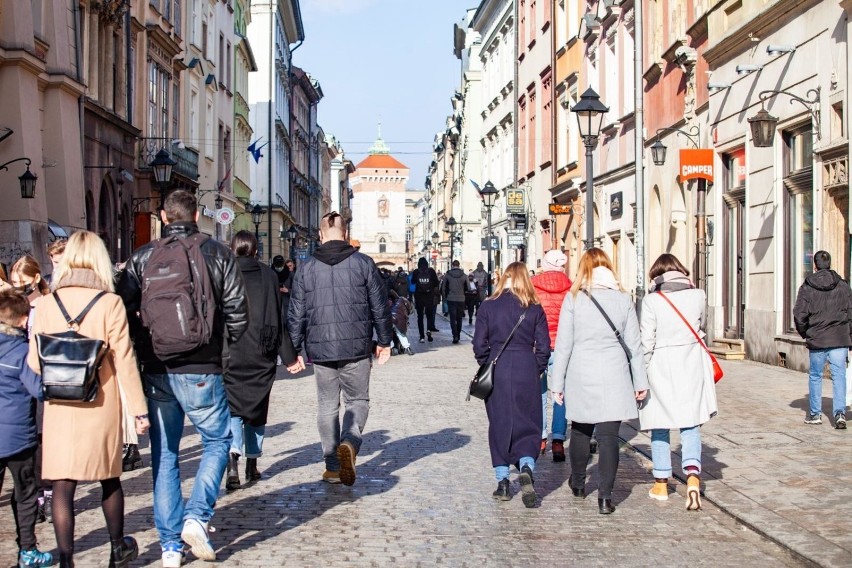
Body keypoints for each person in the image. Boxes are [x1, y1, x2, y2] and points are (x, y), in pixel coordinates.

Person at [117, 189, 248, 565]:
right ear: (196, 215)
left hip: (157, 368)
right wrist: (224, 354)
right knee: (218, 441)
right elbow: (238, 311)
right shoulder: (217, 253)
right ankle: (197, 515)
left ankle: (170, 548)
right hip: (203, 367)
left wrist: (144, 346)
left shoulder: (142, 257)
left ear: (162, 216)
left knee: (166, 455)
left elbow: (121, 311)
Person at [27, 230, 149, 567]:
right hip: (101, 403)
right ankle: (116, 549)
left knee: (63, 486)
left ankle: (66, 560)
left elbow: (34, 362)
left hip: (61, 406)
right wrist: (140, 412)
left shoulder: (46, 303)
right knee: (108, 480)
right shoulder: (109, 302)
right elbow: (124, 361)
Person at [288, 211, 393, 486]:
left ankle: (333, 466)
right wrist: (384, 342)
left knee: (326, 406)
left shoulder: (306, 268)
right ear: (346, 234)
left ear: (320, 235)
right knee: (358, 401)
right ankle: (349, 442)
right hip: (356, 347)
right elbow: (380, 307)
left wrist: (294, 349)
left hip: (321, 351)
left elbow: (296, 313)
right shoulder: (363, 263)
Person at [550, 248, 648, 514]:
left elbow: (564, 345)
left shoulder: (574, 298)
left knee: (581, 430)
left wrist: (555, 384)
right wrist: (641, 382)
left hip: (581, 373)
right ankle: (605, 497)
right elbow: (634, 346)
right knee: (608, 437)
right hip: (615, 374)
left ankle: (579, 484)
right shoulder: (623, 299)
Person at [224, 232, 303, 491]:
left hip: (230, 351)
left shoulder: (222, 272)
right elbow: (278, 319)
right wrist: (289, 357)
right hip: (261, 351)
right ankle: (252, 463)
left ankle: (232, 459)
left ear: (233, 249)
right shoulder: (269, 275)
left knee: (233, 409)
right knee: (257, 409)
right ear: (256, 250)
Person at [638, 254, 718, 510]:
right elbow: (702, 325)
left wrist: (641, 374)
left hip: (661, 363)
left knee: (659, 423)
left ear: (656, 277)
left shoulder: (651, 300)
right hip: (691, 362)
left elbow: (646, 341)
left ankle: (662, 482)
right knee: (690, 421)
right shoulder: (698, 295)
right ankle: (693, 477)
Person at [472, 262, 550, 507]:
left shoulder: (488, 305)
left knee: (499, 423)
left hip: (498, 369)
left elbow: (478, 345)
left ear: (503, 278)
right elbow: (545, 348)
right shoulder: (535, 308)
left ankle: (503, 481)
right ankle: (526, 465)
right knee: (529, 421)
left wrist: (487, 363)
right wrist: (535, 368)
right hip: (526, 366)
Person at [0, 291, 52, 567]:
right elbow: (37, 390)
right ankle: (28, 550)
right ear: (22, 320)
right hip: (18, 436)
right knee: (25, 494)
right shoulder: (22, 351)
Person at [10, 256, 51, 522]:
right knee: (29, 443)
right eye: (14, 282)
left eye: (22, 282)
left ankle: (46, 493)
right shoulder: (14, 305)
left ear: (35, 279)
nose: (18, 286)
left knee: (43, 439)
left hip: (42, 378)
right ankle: (33, 496)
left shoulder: (47, 305)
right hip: (19, 380)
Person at [793, 250, 852, 428]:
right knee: (839, 376)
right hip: (839, 338)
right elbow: (850, 313)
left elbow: (799, 315)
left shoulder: (807, 286)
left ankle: (815, 414)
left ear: (815, 265)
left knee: (816, 376)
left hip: (818, 338)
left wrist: (806, 333)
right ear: (830, 264)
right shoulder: (843, 286)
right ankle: (840, 413)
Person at [531, 249, 573, 461]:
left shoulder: (533, 286)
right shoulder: (571, 287)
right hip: (562, 346)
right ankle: (558, 439)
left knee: (539, 393)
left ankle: (540, 436)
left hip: (538, 345)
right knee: (560, 392)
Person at [411, 257, 440, 343]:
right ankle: (429, 331)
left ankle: (421, 336)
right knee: (429, 315)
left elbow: (412, 282)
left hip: (419, 296)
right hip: (429, 296)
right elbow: (436, 283)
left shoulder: (416, 271)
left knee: (420, 317)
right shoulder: (431, 271)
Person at [442, 260, 466, 343]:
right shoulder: (464, 275)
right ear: (459, 265)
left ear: (452, 265)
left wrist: (445, 297)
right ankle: (458, 334)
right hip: (461, 299)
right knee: (459, 318)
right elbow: (468, 288)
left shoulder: (448, 275)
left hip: (451, 298)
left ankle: (454, 335)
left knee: (452, 318)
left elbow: (443, 286)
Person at [389, 289, 414, 356]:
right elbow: (409, 309)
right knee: (401, 334)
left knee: (388, 334)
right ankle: (408, 348)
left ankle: (391, 349)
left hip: (390, 320)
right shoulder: (402, 300)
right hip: (400, 320)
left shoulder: (386, 302)